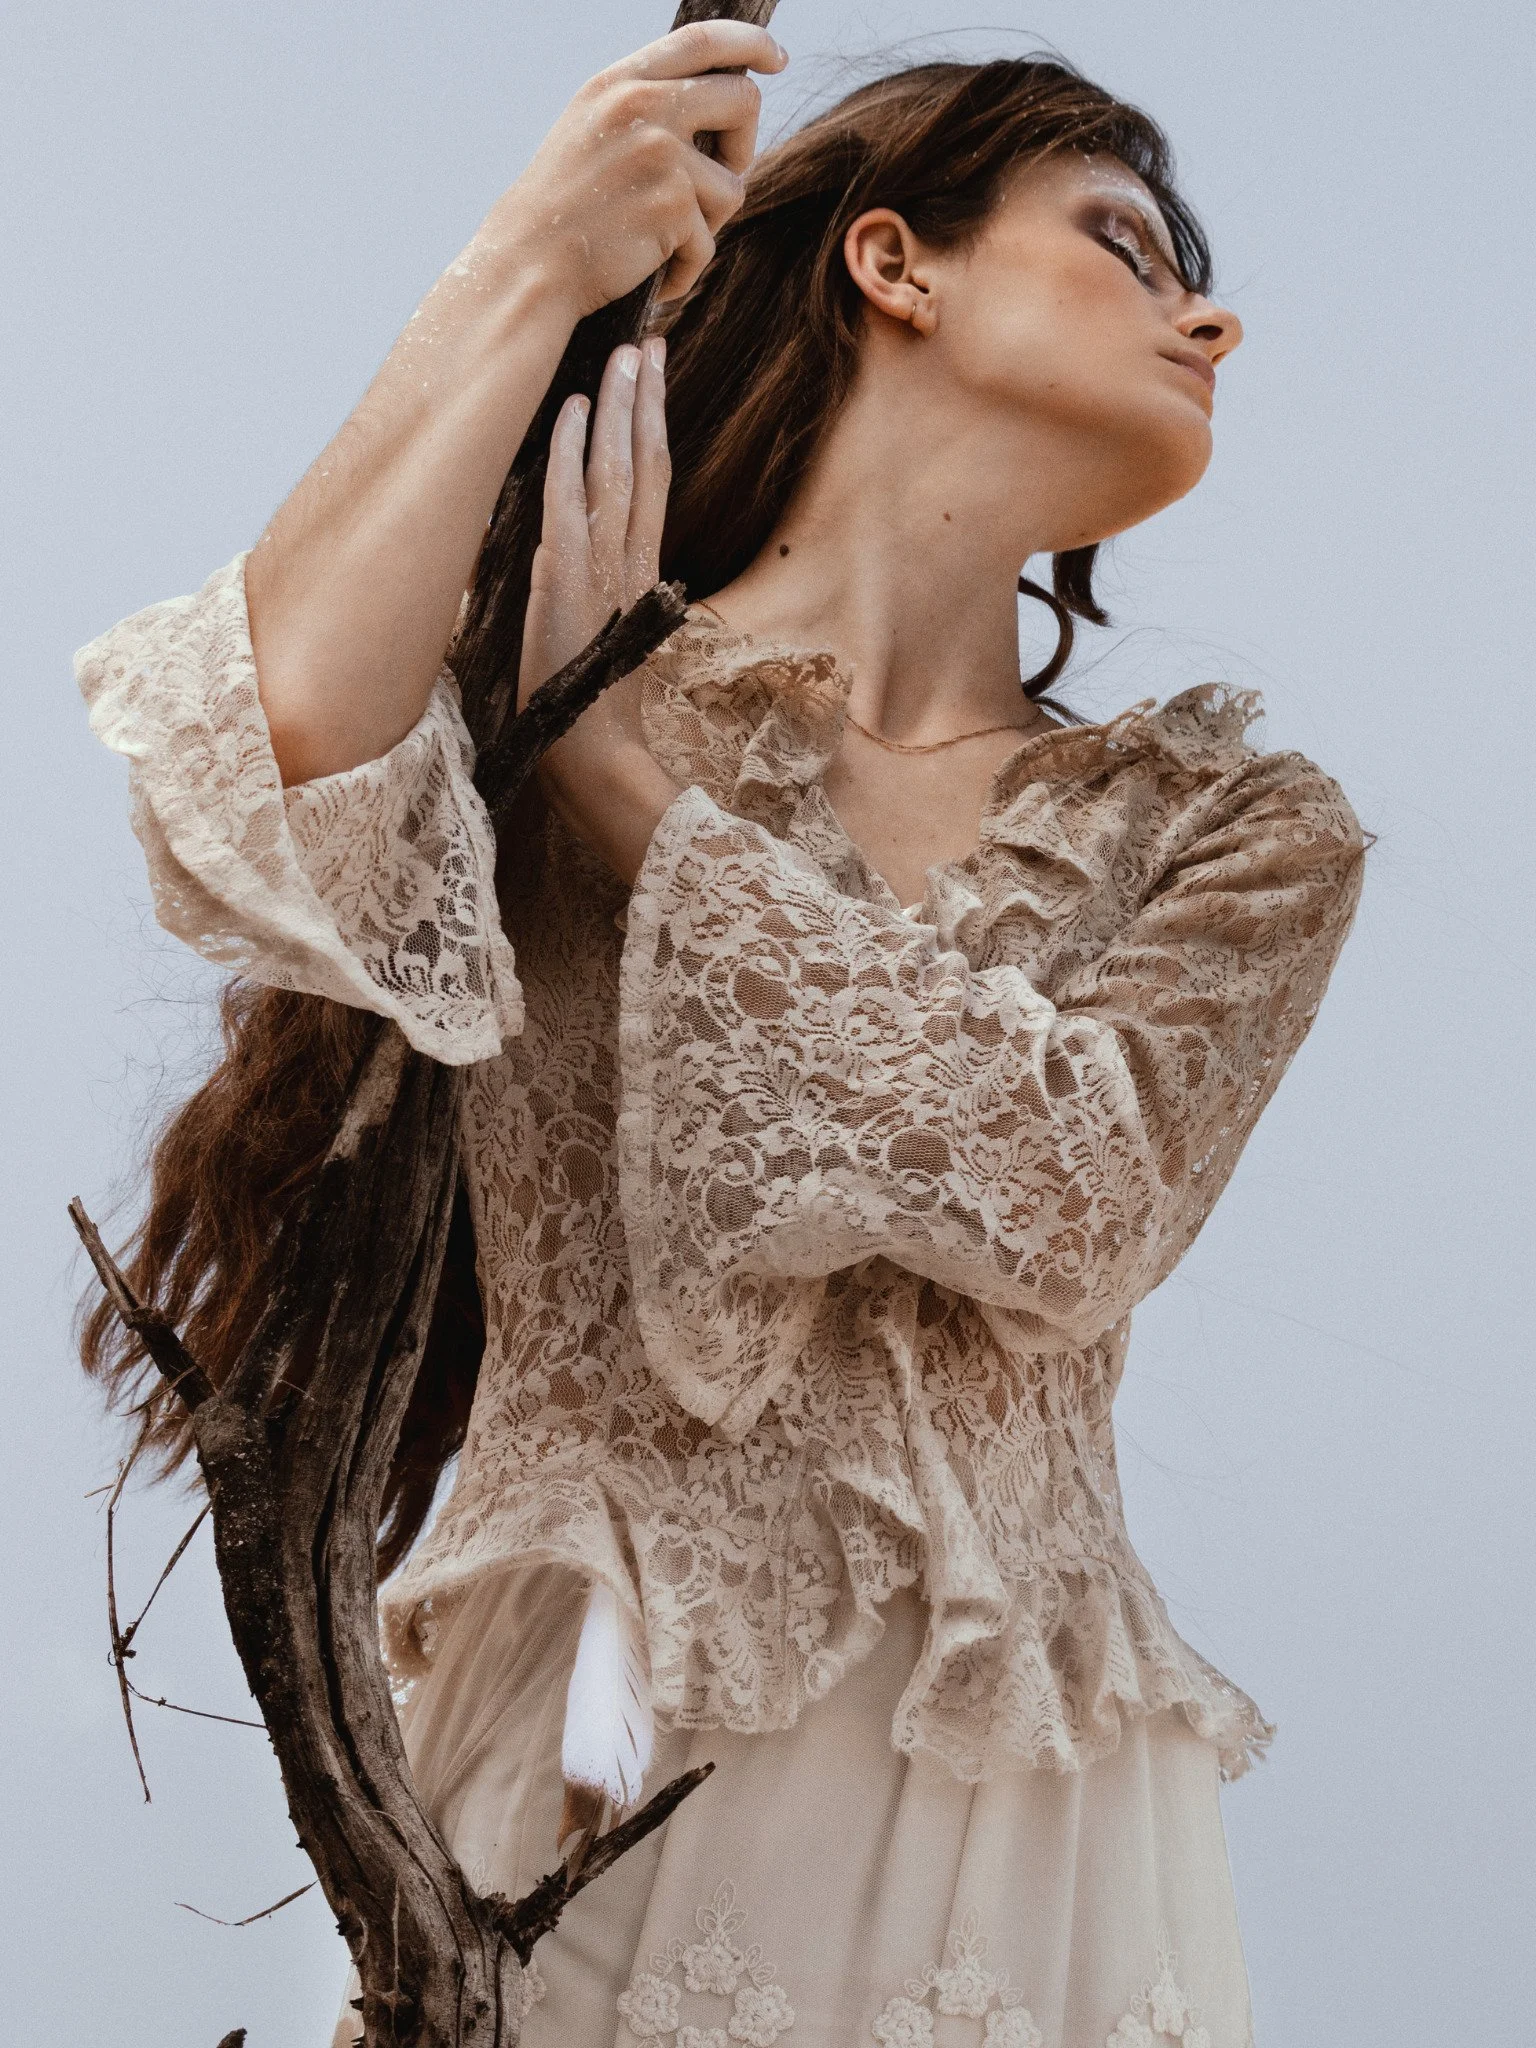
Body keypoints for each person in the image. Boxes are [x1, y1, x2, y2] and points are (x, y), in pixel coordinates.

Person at [76, 21, 1367, 2047]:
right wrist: (534, 257)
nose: (1210, 316)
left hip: (1040, 1819)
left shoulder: (1232, 825)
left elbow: (1073, 1196)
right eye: (1126, 242)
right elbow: (267, 764)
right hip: (598, 1730)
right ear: (894, 261)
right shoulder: (547, 669)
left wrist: (626, 788)